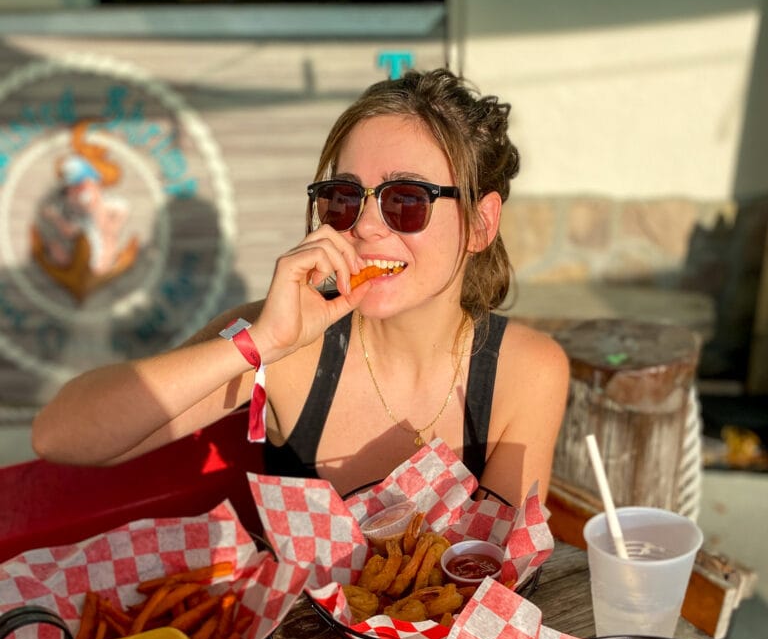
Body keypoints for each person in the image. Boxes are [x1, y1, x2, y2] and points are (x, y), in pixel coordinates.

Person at [32, 68, 570, 509]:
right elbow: (61, 435)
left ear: (480, 224)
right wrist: (258, 344)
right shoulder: (288, 347)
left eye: (406, 200)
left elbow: (497, 569)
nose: (363, 226)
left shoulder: (526, 370)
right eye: (343, 197)